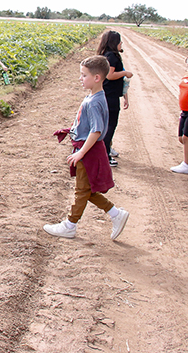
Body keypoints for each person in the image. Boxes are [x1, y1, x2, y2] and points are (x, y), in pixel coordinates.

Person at [43, 55, 129, 240]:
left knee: (81, 191)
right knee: (87, 190)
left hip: (89, 151)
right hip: (88, 149)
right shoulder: (95, 97)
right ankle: (115, 214)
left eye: (83, 75)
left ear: (96, 78)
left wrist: (81, 152)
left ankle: (70, 225)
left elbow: (96, 131)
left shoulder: (94, 102)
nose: (80, 79)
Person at [97, 31, 133, 166]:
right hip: (109, 96)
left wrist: (125, 96)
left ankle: (105, 151)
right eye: (119, 42)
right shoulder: (112, 56)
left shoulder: (105, 55)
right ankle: (105, 155)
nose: (121, 44)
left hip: (107, 94)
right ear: (114, 43)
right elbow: (110, 76)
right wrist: (125, 73)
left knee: (105, 125)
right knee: (110, 126)